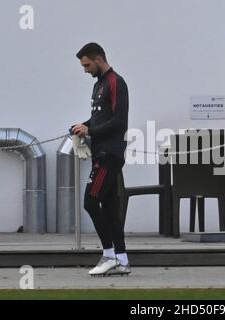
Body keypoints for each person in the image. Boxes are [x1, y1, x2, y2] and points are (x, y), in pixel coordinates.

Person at [72, 42, 130, 276]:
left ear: (98, 59)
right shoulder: (99, 86)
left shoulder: (116, 82)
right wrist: (82, 126)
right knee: (110, 210)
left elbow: (120, 121)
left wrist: (91, 131)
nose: (85, 70)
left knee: (90, 201)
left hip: (109, 155)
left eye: (86, 65)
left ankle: (108, 255)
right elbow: (99, 119)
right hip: (101, 154)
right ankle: (123, 261)